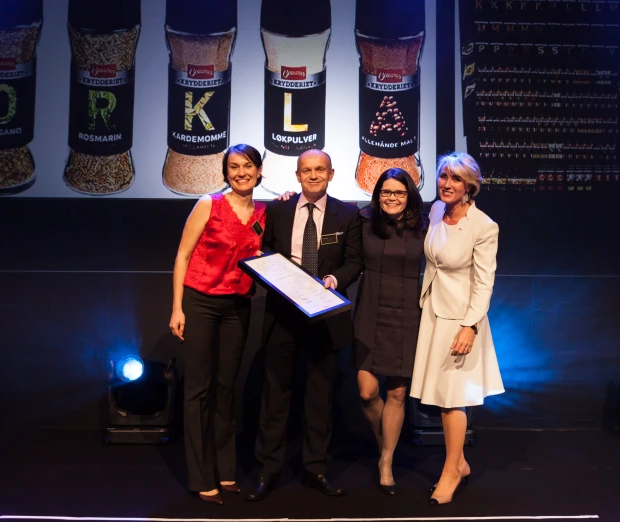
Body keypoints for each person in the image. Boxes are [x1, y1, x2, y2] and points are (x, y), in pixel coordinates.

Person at [246, 149, 363, 501]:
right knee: (275, 395)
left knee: (319, 396)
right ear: (297, 176)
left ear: (331, 173)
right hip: (282, 313)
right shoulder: (278, 210)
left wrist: (333, 279)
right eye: (306, 170)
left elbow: (354, 261)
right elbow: (262, 249)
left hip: (324, 315)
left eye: (320, 170)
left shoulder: (349, 213)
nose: (313, 176)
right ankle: (268, 471)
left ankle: (316, 469)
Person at [168, 144, 266, 505]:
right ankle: (200, 476)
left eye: (248, 166)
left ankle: (225, 471)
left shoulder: (264, 212)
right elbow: (182, 254)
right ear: (226, 172)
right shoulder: (209, 203)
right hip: (201, 302)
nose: (241, 172)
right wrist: (178, 307)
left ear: (259, 171)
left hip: (238, 306)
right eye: (234, 167)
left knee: (227, 388)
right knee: (198, 390)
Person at [410, 152, 505, 505]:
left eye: (455, 179)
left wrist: (470, 327)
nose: (447, 184)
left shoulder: (483, 226)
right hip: (434, 314)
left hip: (460, 320)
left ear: (470, 185)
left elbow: (484, 283)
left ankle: (450, 472)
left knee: (452, 401)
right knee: (439, 398)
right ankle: (460, 463)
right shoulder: (436, 210)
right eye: (443, 177)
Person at [352, 168, 427, 495]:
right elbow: (351, 260)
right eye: (386, 192)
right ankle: (387, 441)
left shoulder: (425, 227)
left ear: (409, 195)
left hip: (410, 312)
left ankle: (386, 460)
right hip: (370, 309)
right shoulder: (363, 222)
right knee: (367, 391)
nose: (392, 198)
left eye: (398, 192)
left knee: (397, 392)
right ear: (377, 195)